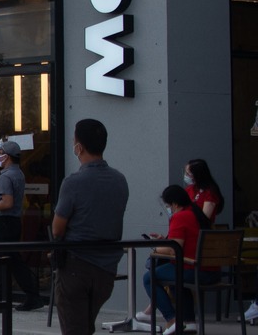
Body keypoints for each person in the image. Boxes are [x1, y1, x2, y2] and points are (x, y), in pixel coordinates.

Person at [51, 118, 129, 335]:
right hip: (107, 267)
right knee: (86, 325)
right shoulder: (119, 180)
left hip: (77, 263)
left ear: (79, 147)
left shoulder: (73, 182)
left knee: (74, 327)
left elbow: (57, 229)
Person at [139, 185, 214, 335]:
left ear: (174, 203)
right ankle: (189, 321)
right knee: (173, 278)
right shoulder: (197, 213)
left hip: (192, 268)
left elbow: (173, 248)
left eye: (168, 206)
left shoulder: (180, 216)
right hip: (211, 270)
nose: (169, 209)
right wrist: (165, 240)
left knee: (149, 277)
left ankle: (172, 319)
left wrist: (155, 248)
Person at [0, 140, 44, 311]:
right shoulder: (18, 174)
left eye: (0, 154)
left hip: (3, 222)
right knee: (14, 261)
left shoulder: (7, 176)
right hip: (13, 222)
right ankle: (33, 295)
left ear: (6, 156)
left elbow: (6, 202)